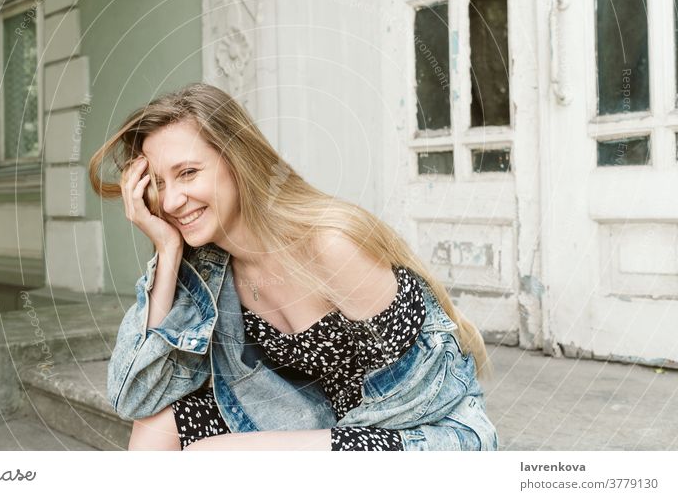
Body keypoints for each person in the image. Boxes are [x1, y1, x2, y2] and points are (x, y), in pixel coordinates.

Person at [88, 82, 499, 451]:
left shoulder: (330, 246)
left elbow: (420, 395)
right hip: (325, 427)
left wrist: (283, 452)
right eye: (158, 183)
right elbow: (136, 395)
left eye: (189, 173)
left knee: (211, 459)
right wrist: (167, 250)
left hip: (423, 429)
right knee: (156, 428)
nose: (173, 200)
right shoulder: (211, 268)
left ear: (238, 161)